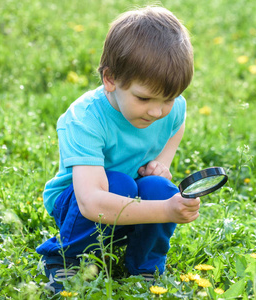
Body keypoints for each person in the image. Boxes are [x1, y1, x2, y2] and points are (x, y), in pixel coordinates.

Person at [36, 6, 199, 293]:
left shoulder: (171, 109)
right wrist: (166, 211)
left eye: (169, 98)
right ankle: (66, 258)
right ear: (110, 79)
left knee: (162, 188)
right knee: (119, 184)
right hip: (78, 204)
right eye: (144, 98)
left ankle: (145, 268)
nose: (157, 111)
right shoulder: (85, 119)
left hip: (129, 198)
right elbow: (91, 202)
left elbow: (178, 121)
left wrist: (163, 161)